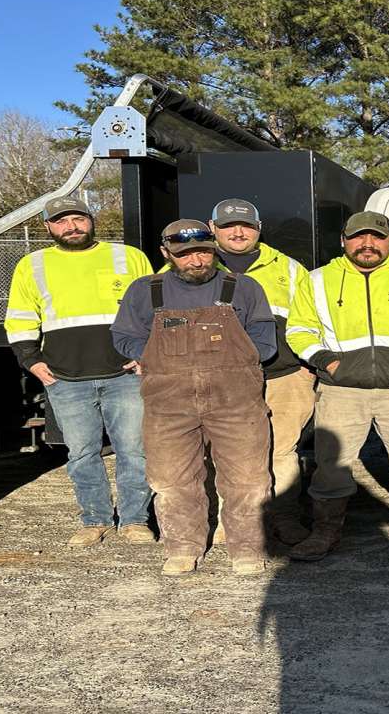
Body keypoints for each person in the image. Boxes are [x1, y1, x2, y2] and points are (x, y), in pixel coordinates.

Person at [111, 220, 276, 576]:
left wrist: (242, 357)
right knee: (172, 478)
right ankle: (183, 547)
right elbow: (124, 335)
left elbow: (264, 338)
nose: (197, 261)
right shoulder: (145, 290)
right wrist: (149, 355)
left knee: (247, 476)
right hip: (168, 402)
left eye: (204, 252)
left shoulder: (243, 287)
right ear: (166, 253)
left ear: (214, 250)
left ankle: (247, 548)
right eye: (185, 255)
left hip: (236, 399)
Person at [284, 211, 389, 560]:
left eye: (376, 237)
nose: (367, 244)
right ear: (344, 240)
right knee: (331, 462)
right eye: (358, 237)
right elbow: (298, 330)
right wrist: (328, 362)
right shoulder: (317, 280)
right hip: (341, 390)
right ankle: (325, 530)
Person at [5, 196, 154, 548]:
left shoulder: (128, 256)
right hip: (65, 378)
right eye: (61, 221)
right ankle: (95, 520)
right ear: (48, 227)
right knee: (82, 454)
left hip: (125, 375)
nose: (71, 226)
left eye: (78, 218)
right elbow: (21, 318)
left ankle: (135, 520)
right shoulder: (32, 264)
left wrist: (149, 354)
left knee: (134, 451)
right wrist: (31, 359)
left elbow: (154, 310)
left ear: (91, 220)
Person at [206, 199, 314, 545]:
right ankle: (233, 521)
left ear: (258, 229)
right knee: (227, 452)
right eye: (228, 226)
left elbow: (311, 319)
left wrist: (305, 367)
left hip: (283, 375)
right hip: (220, 379)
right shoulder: (192, 266)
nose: (238, 233)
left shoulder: (289, 268)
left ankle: (283, 518)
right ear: (213, 228)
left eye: (246, 226)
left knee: (282, 451)